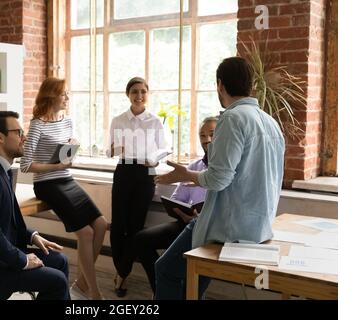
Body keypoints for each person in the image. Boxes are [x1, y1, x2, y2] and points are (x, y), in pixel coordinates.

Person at [154, 56, 285, 300]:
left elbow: (218, 179)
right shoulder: (271, 122)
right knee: (193, 280)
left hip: (229, 228)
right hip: (261, 227)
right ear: (250, 85)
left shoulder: (232, 118)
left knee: (166, 270)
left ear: (220, 85)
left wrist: (186, 175)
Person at [0, 111, 70, 300]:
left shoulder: (1, 171)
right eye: (18, 132)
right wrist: (23, 260)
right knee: (57, 281)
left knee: (60, 261)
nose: (24, 137)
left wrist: (33, 237)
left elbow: (8, 223)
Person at [20, 77, 108, 300]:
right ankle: (94, 292)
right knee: (86, 233)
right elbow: (26, 164)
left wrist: (71, 148)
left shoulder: (67, 121)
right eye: (63, 94)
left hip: (66, 179)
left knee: (101, 224)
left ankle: (81, 284)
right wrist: (57, 165)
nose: (67, 97)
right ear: (51, 96)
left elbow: (66, 154)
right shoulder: (37, 124)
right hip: (47, 183)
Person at [133, 116, 217, 295]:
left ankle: (179, 293)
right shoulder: (193, 166)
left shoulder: (225, 169)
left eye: (212, 134)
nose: (207, 140)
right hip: (185, 223)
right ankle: (162, 291)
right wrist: (182, 212)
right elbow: (177, 197)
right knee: (140, 240)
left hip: (209, 230)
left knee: (195, 268)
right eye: (202, 136)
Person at [107, 76, 167, 297]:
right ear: (128, 94)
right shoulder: (118, 120)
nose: (139, 96)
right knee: (117, 226)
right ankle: (121, 272)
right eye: (134, 91)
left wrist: (154, 159)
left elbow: (163, 149)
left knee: (135, 229)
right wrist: (117, 147)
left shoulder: (155, 121)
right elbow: (108, 151)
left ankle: (121, 274)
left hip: (145, 173)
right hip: (123, 171)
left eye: (143, 91)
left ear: (147, 94)